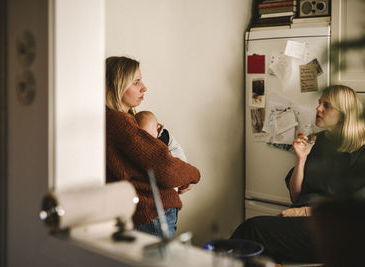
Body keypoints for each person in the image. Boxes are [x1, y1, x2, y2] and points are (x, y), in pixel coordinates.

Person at [230, 85, 365, 263]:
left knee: (252, 229)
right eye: (319, 103)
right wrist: (300, 159)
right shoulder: (319, 140)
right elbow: (296, 196)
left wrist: (302, 212)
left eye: (326, 105)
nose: (318, 108)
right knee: (251, 241)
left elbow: (353, 209)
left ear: (344, 115)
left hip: (333, 231)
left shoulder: (361, 151)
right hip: (303, 220)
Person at [105, 56, 200, 238]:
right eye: (136, 82)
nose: (144, 87)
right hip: (151, 213)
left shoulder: (116, 120)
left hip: (141, 214)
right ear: (117, 86)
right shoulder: (118, 122)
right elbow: (166, 168)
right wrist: (194, 175)